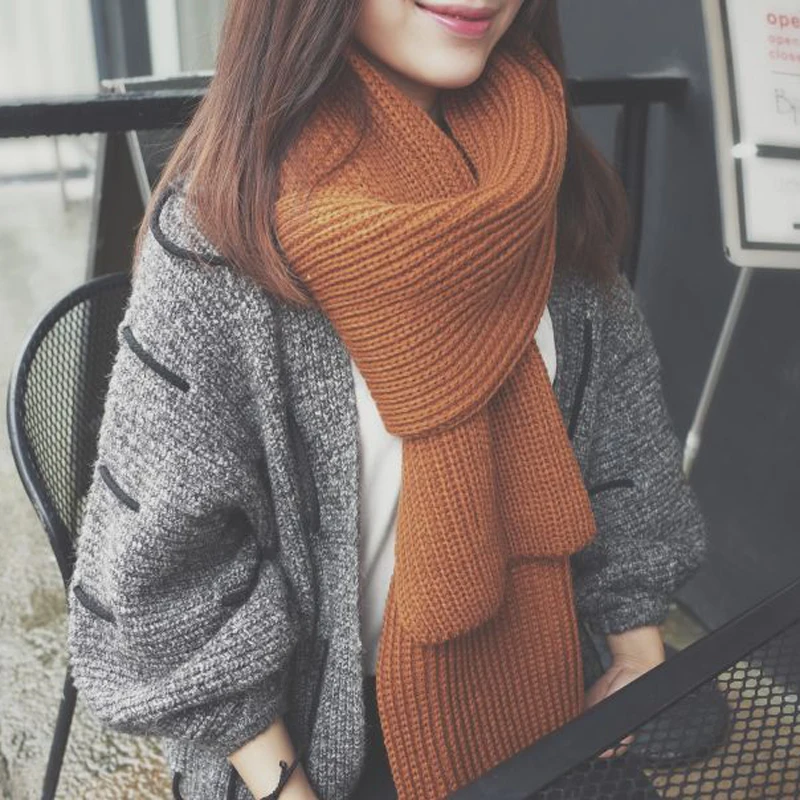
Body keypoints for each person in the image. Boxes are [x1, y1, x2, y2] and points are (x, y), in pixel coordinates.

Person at [66, 1, 708, 799]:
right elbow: (164, 576)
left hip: (547, 692)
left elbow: (623, 437)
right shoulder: (220, 234)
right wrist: (284, 787)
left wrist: (636, 643)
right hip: (309, 744)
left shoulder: (540, 173)